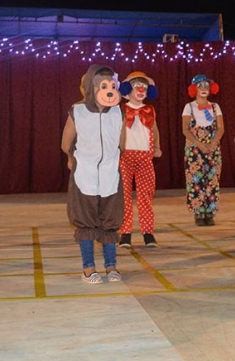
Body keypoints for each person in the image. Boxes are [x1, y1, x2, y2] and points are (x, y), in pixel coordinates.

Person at [61, 65, 124, 284]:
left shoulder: (118, 112)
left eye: (112, 85)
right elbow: (65, 143)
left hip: (110, 176)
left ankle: (111, 266)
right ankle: (88, 268)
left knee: (110, 221)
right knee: (85, 222)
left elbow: (122, 144)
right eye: (102, 85)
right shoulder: (77, 111)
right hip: (84, 176)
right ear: (90, 86)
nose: (108, 90)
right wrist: (73, 158)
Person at [118, 71, 162, 248]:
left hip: (145, 157)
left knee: (146, 196)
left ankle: (148, 233)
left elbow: (155, 129)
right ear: (127, 90)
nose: (141, 88)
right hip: (125, 157)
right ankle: (125, 233)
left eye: (143, 85)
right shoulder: (121, 110)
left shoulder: (150, 110)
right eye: (136, 85)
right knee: (124, 197)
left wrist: (157, 146)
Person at [182, 74, 224, 226]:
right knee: (196, 181)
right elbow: (185, 130)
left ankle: (210, 213)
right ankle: (199, 213)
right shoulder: (189, 107)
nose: (204, 88)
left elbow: (220, 128)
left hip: (213, 149)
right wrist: (199, 144)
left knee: (212, 180)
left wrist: (213, 144)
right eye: (200, 85)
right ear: (194, 89)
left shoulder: (215, 107)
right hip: (194, 150)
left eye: (207, 85)